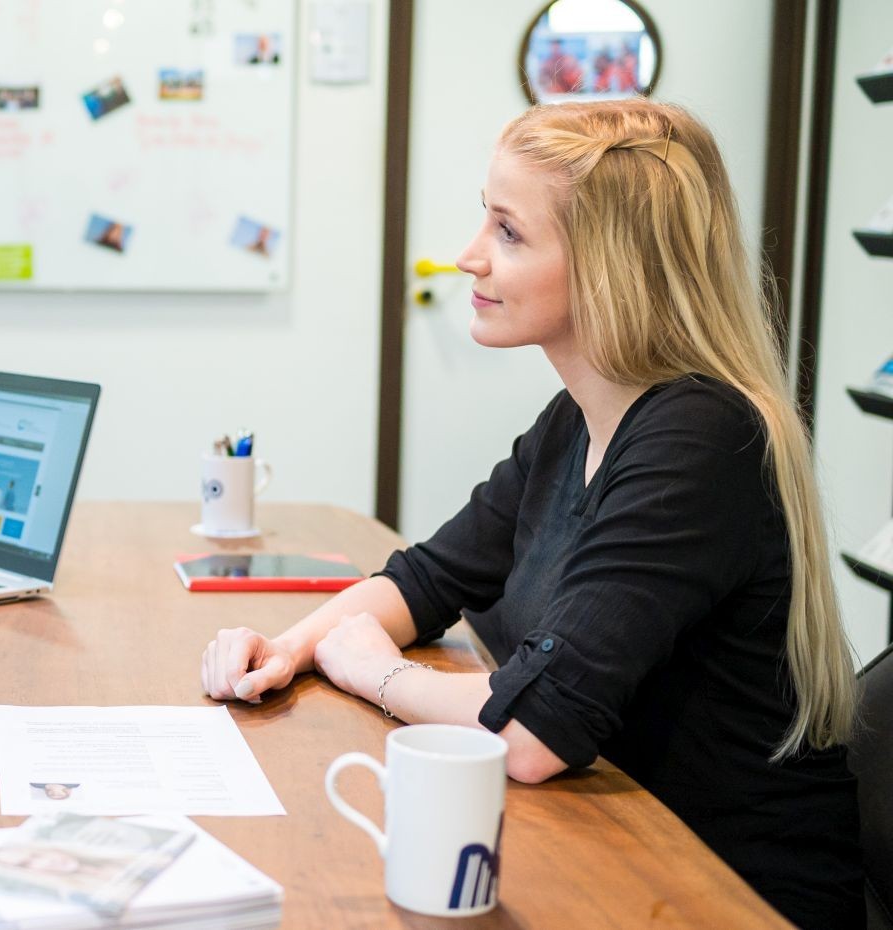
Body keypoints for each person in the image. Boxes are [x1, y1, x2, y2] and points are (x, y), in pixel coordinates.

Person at [198, 99, 861, 928]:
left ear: (611, 266)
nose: (470, 258)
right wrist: (290, 648)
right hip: (614, 847)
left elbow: (535, 732)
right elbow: (430, 579)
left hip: (725, 894)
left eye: (508, 233)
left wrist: (373, 671)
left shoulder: (700, 437)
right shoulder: (579, 416)